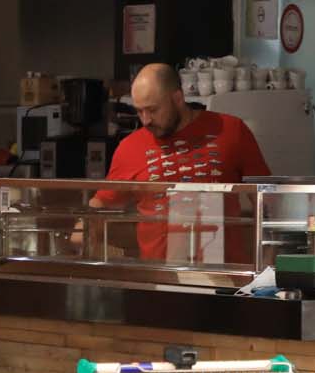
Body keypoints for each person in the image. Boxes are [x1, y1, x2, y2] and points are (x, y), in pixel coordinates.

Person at [99, 63, 269, 262]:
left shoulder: (231, 130)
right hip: (160, 272)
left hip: (223, 271)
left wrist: (269, 261)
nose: (145, 120)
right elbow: (102, 203)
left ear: (178, 99)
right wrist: (80, 232)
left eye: (153, 110)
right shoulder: (130, 148)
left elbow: (266, 200)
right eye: (139, 111)